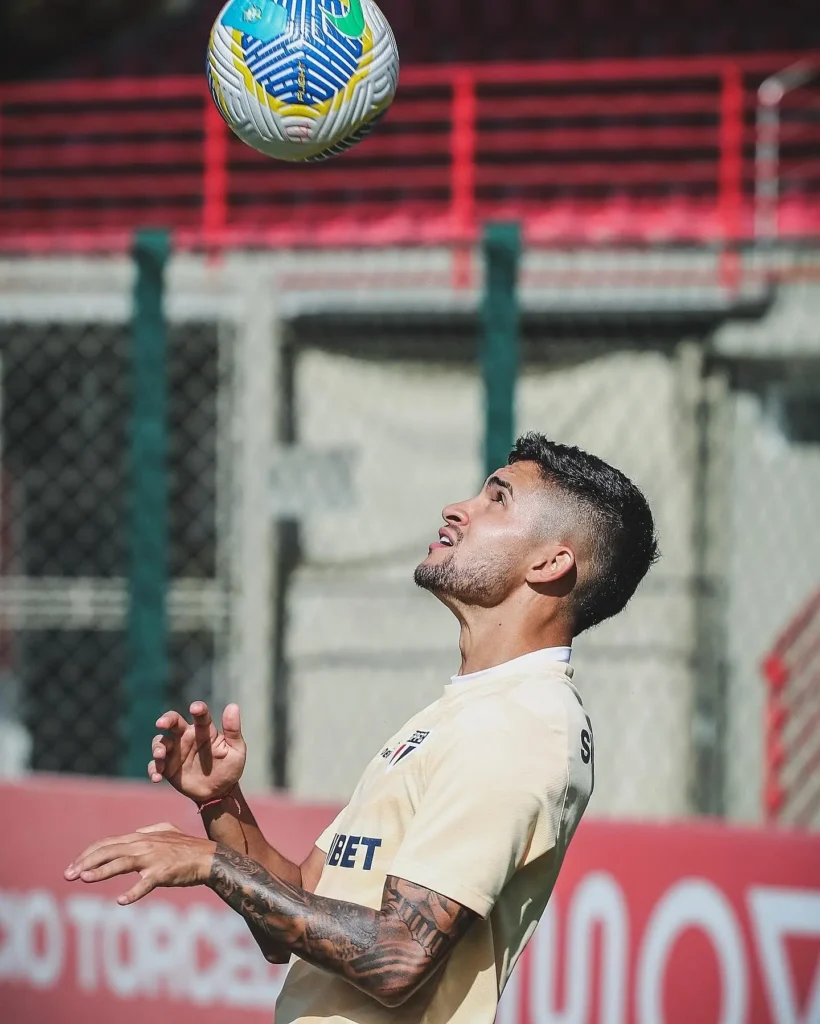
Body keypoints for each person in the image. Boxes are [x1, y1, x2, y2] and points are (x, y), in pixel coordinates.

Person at [65, 432, 658, 1023]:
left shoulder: (522, 727)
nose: (459, 509)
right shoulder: (466, 710)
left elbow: (397, 959)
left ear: (550, 562)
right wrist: (222, 803)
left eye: (496, 500)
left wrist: (214, 864)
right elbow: (295, 912)